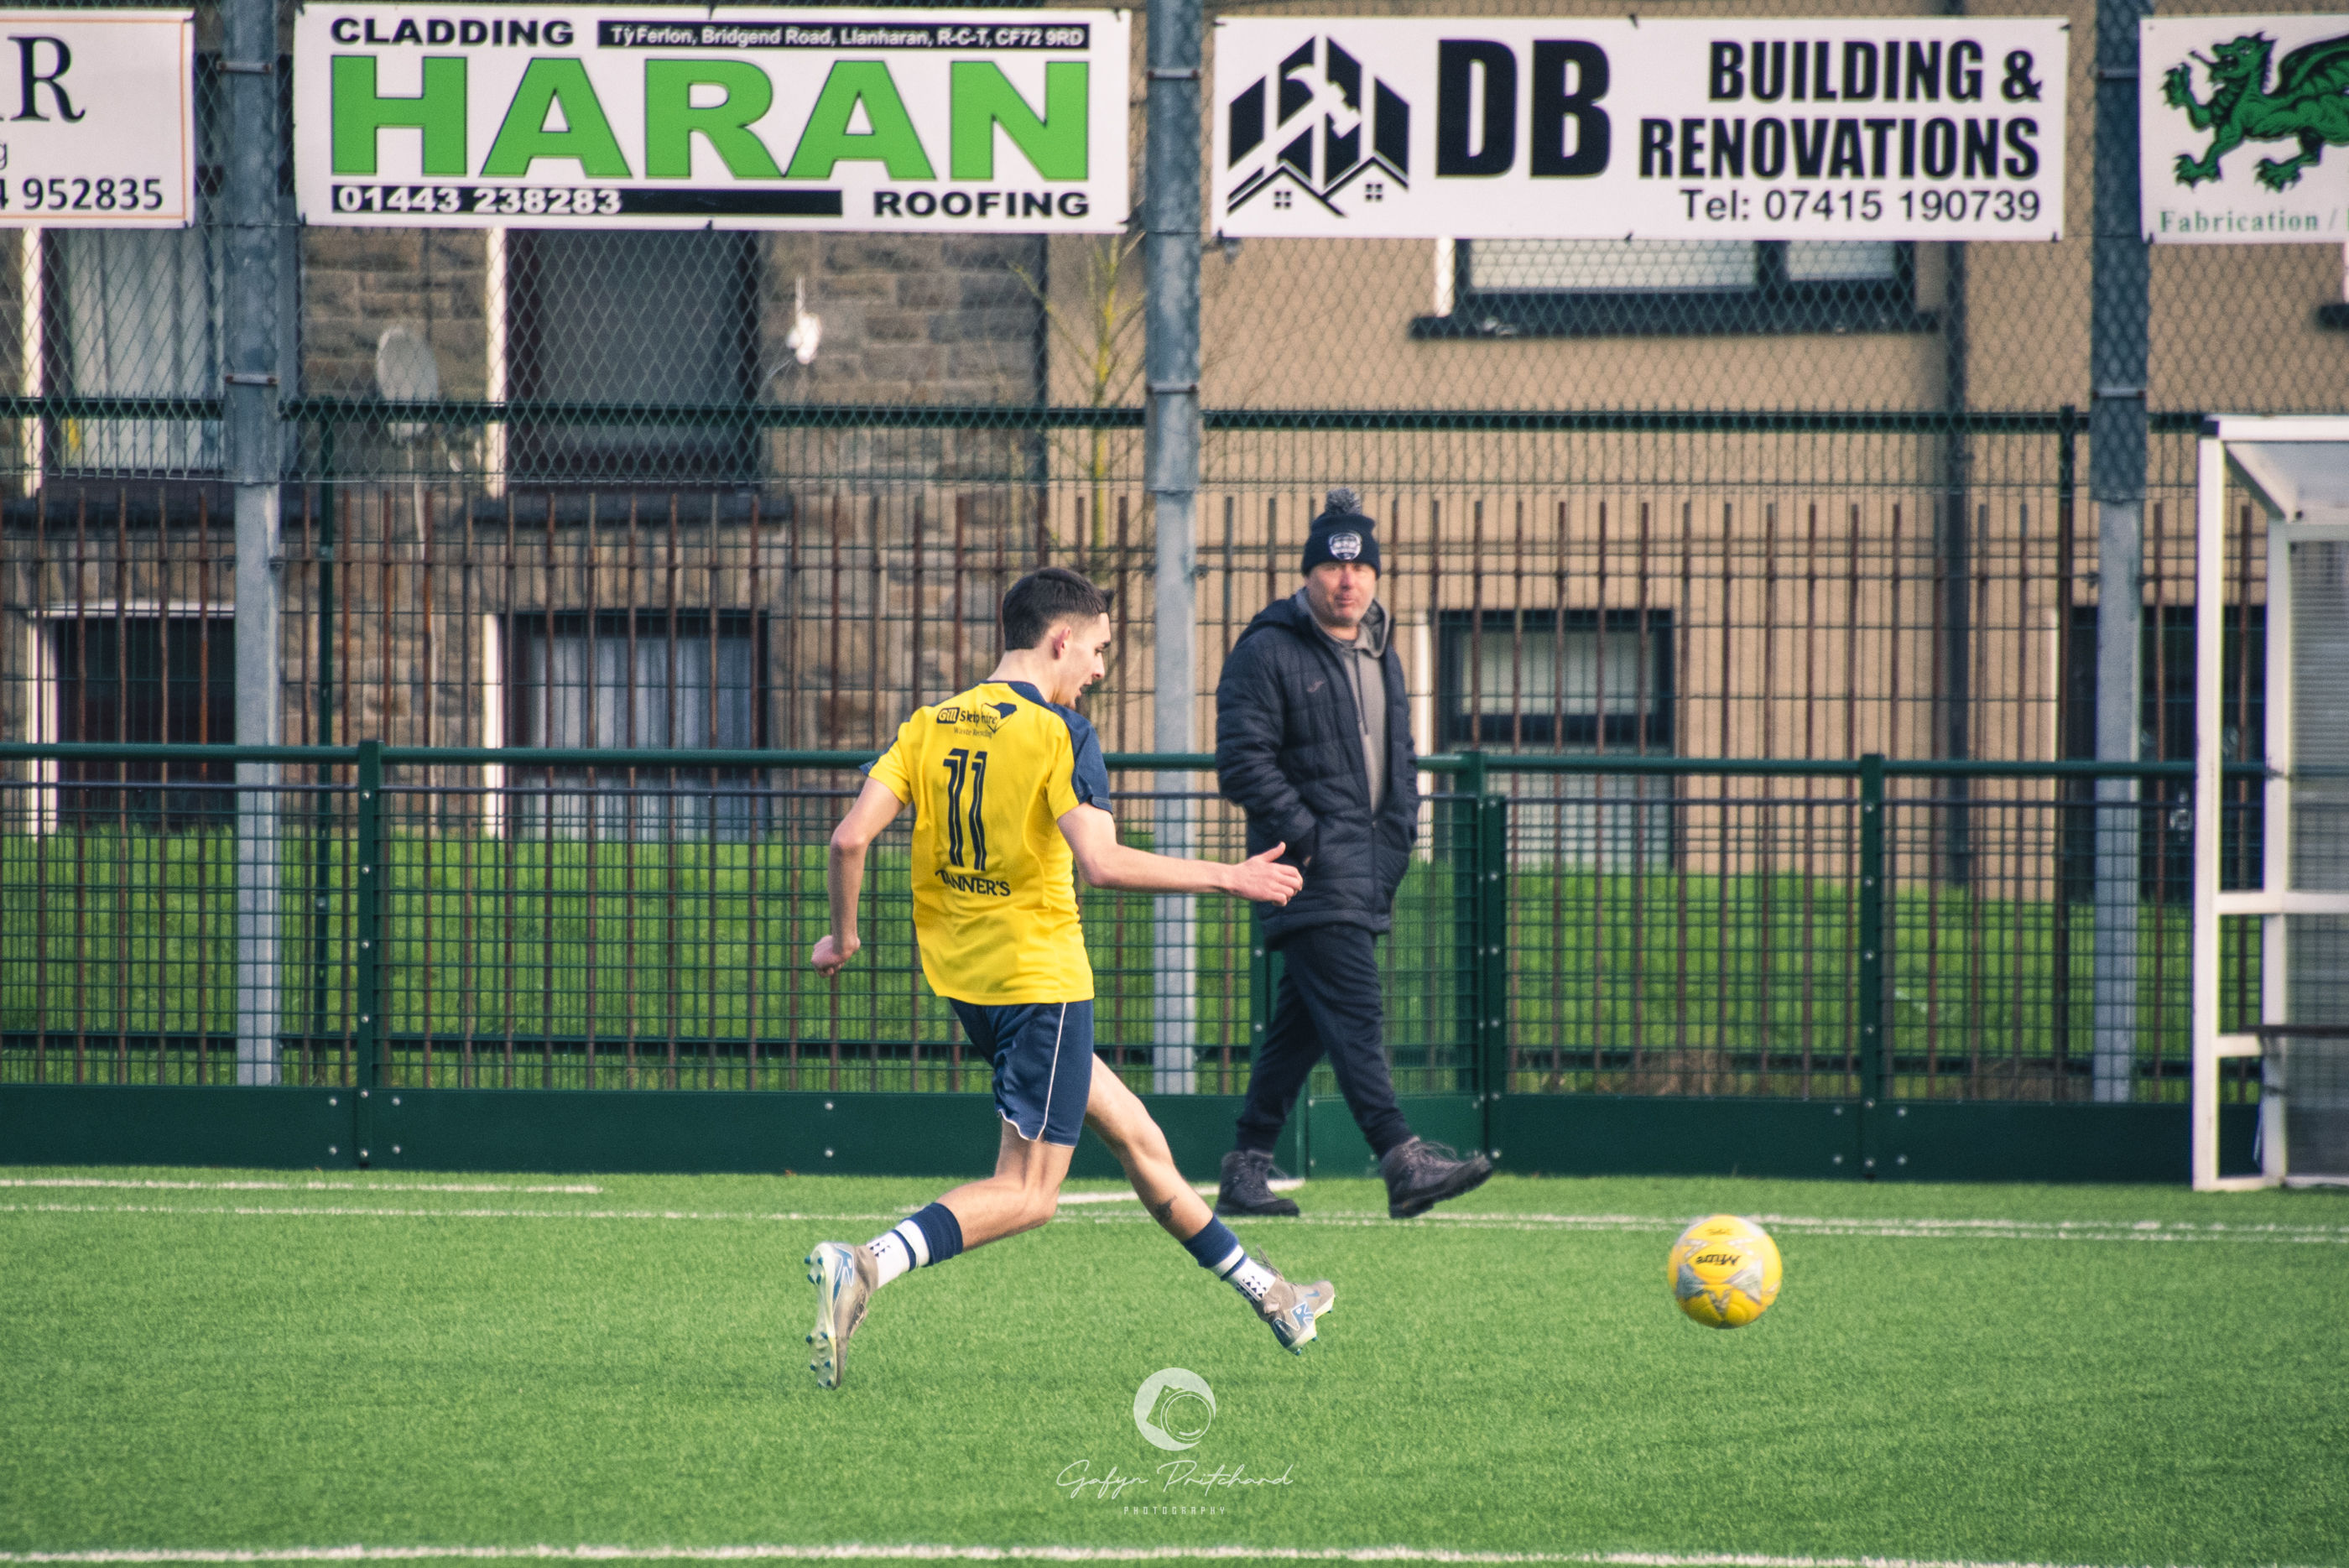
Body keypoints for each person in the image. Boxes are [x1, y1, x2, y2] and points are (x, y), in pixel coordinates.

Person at [801, 566, 1334, 1389]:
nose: (1097, 667)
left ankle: (1273, 1295)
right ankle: (865, 1263)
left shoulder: (930, 724)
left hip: (968, 983)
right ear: (1059, 640)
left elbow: (847, 840)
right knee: (1029, 1195)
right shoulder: (1060, 733)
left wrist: (843, 936)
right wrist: (1229, 877)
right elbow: (1102, 863)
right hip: (1040, 982)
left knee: (1136, 1135)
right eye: (1096, 649)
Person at [1213, 489, 1494, 1222]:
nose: (1349, 581)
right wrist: (1310, 836)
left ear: (1374, 576)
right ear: (1310, 575)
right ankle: (1401, 1158)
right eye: (1335, 568)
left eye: (1362, 567)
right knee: (1357, 1009)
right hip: (1305, 867)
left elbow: (1399, 757)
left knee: (1303, 1024)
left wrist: (1398, 836)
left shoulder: (1382, 650)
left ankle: (1245, 1165)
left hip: (1368, 865)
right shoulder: (1266, 649)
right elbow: (1243, 762)